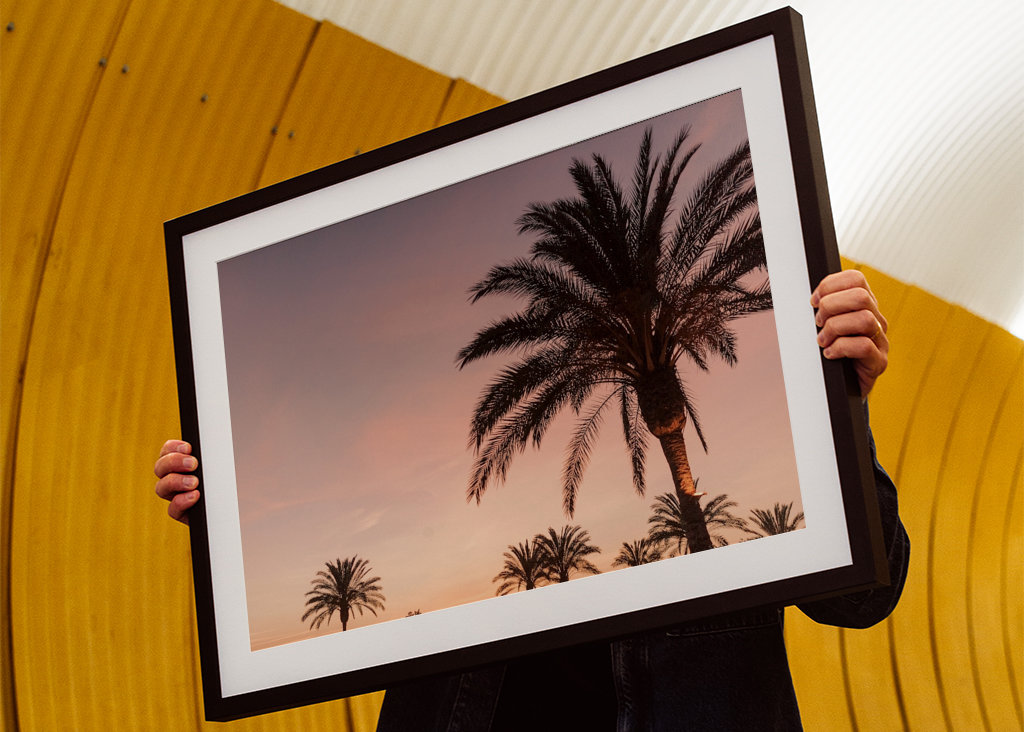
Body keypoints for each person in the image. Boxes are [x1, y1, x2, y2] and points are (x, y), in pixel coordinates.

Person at [154, 270, 909, 731]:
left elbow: (866, 595)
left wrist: (840, 404)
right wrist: (237, 510)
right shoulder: (451, 496)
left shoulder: (731, 472)